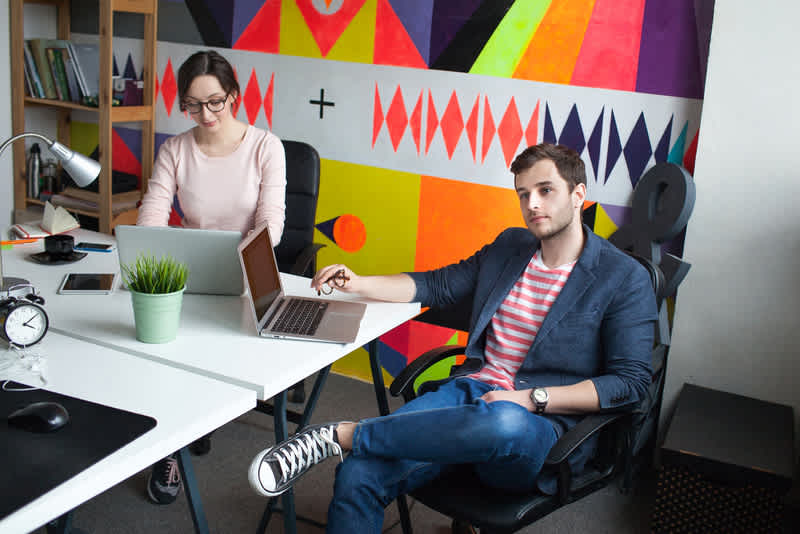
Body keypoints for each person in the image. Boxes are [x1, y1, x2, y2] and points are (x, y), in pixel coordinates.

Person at [247, 143, 658, 533]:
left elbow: (630, 383)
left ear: (577, 194)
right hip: (470, 393)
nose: (532, 204)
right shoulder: (510, 246)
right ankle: (351, 443)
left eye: (545, 190)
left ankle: (344, 435)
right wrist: (357, 282)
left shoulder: (622, 277)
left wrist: (533, 398)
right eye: (523, 194)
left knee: (503, 422)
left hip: (538, 424)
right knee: (358, 473)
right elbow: (438, 285)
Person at [137, 50, 286, 506]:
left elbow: (270, 225)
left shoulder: (266, 147)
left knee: (202, 343)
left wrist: (240, 258)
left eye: (215, 102)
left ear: (234, 96)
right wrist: (150, 253)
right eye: (193, 105)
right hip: (188, 275)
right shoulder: (175, 149)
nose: (205, 115)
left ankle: (184, 427)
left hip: (245, 275)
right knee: (156, 337)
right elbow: (152, 216)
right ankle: (172, 442)